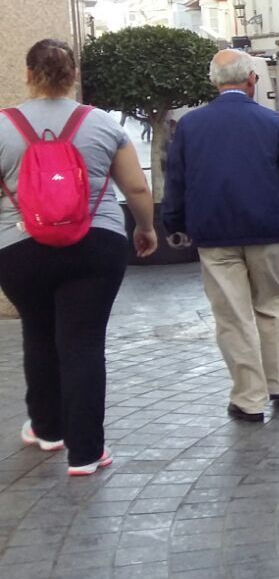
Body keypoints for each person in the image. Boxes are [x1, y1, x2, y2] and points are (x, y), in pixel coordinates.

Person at [0, 40, 159, 476]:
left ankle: (47, 430)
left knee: (38, 331)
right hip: (95, 241)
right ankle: (87, 453)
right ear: (73, 77)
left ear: (28, 74)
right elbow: (137, 189)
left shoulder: (2, 126)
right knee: (83, 342)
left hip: (19, 247)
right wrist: (145, 228)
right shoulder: (102, 124)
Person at [164, 50, 279, 422]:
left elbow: (176, 180)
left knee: (233, 315)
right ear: (252, 79)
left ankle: (249, 398)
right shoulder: (274, 123)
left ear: (215, 81)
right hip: (267, 230)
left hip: (214, 233)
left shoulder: (191, 125)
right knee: (272, 305)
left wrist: (173, 222)